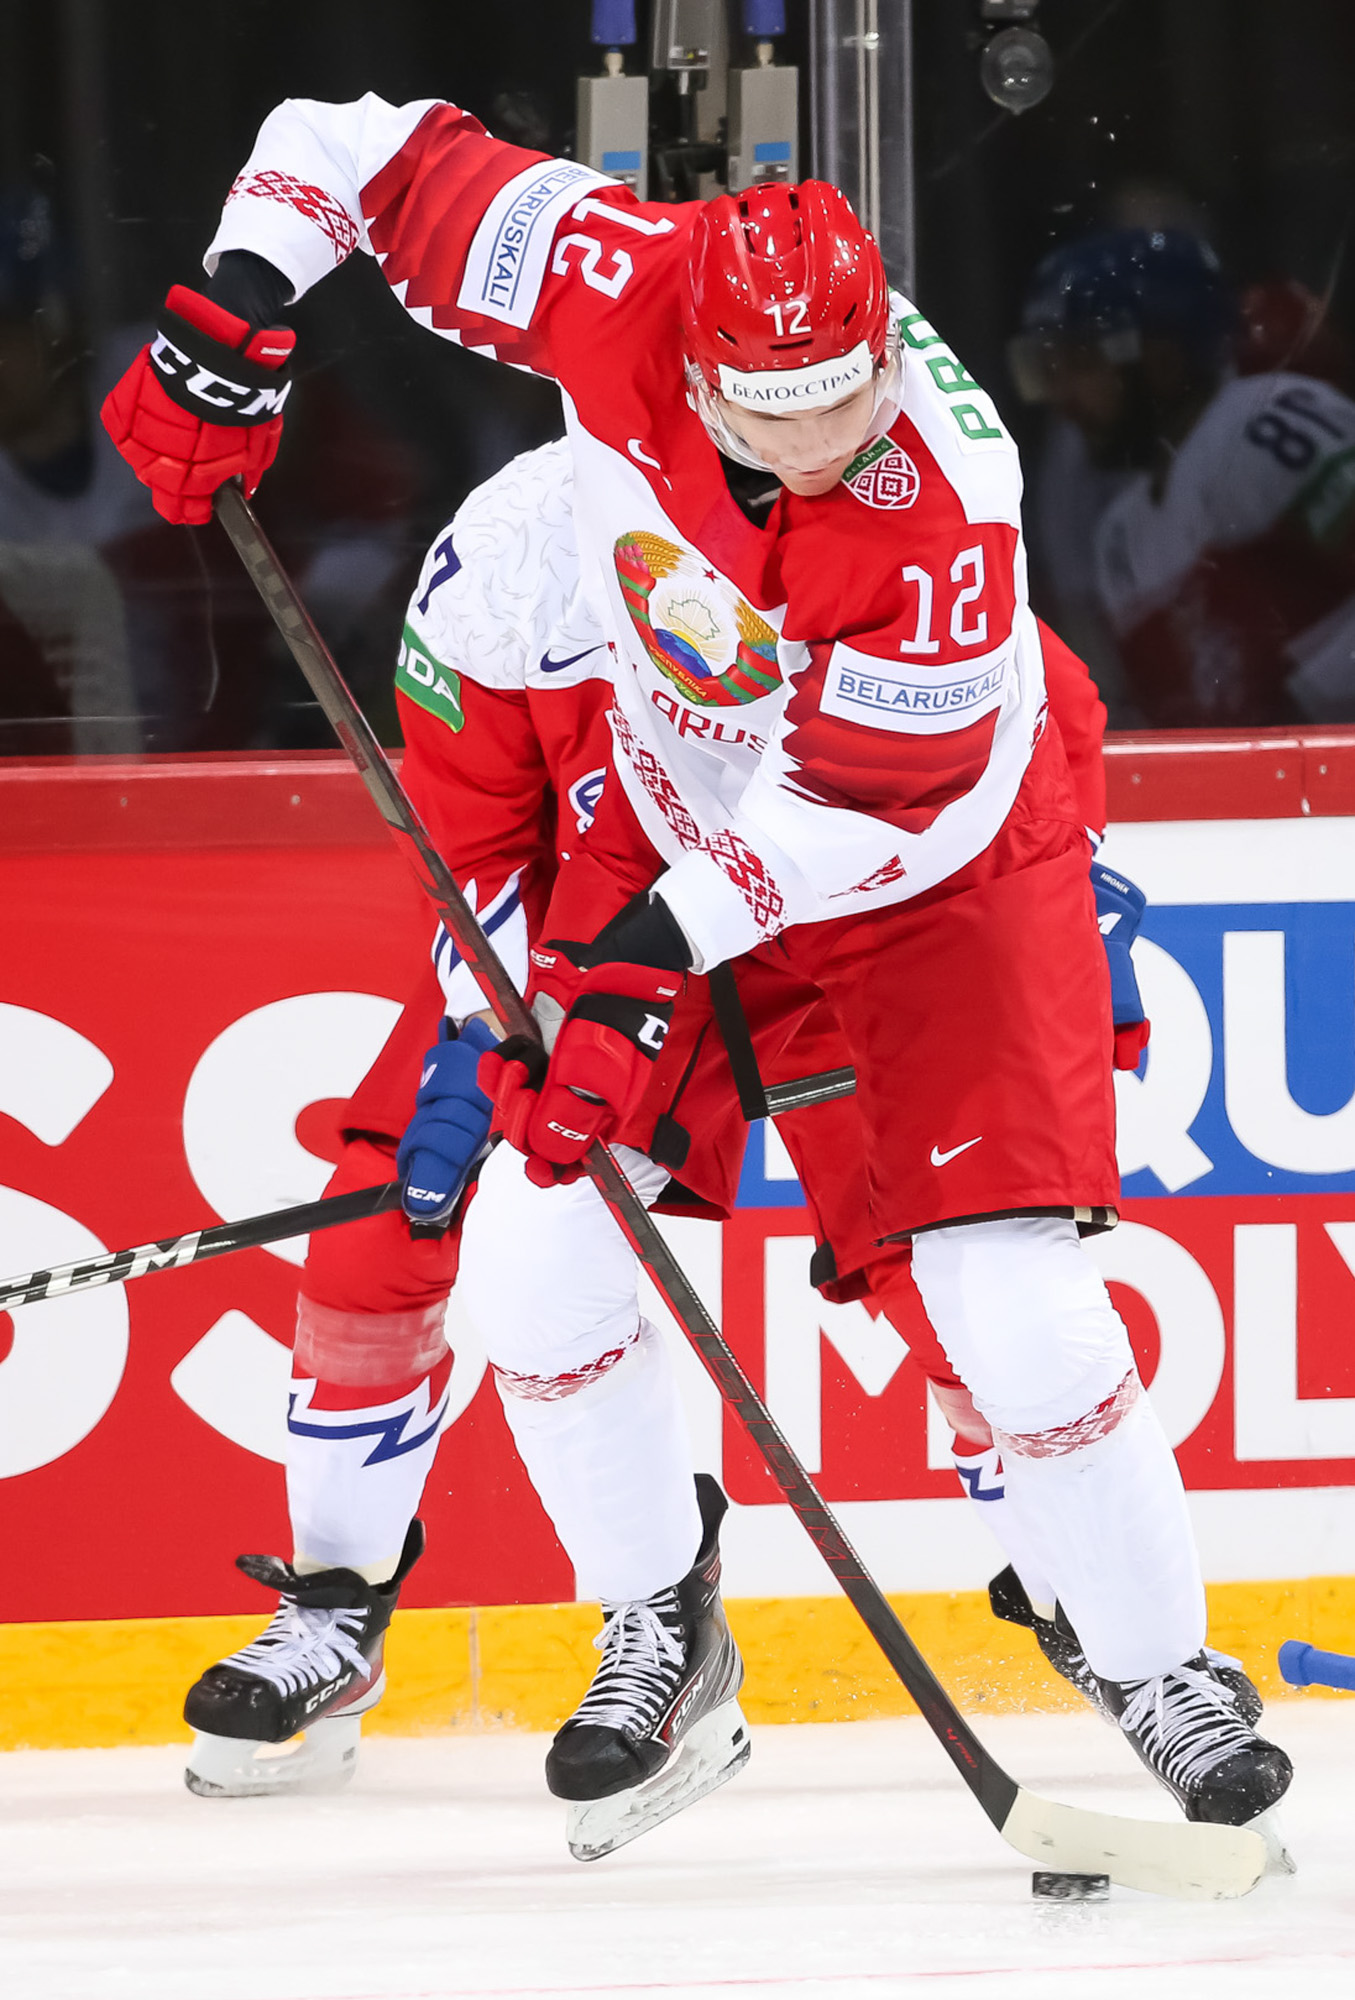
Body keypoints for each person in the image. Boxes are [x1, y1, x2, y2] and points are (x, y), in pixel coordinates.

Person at [102, 95, 1290, 1852]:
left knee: (1010, 1305)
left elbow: (857, 825)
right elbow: (350, 144)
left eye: (847, 404)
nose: (817, 448)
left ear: (888, 353)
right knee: (525, 1243)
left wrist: (639, 970)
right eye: (771, 414)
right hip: (667, 835)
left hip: (932, 871)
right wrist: (232, 313)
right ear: (695, 362)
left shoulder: (952, 517)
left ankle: (1152, 1662)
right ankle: (665, 1623)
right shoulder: (618, 291)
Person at [172, 424, 1168, 1816]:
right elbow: (474, 851)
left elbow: (1023, 719)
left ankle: (1107, 1621)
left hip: (853, 937)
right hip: (612, 946)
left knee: (957, 1285)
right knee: (395, 1226)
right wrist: (494, 1032)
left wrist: (1076, 908)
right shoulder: (497, 578)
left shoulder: (855, 526)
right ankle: (346, 1610)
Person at [1011, 227, 1355, 728]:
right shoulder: (1120, 542)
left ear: (1160, 357)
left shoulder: (1272, 423)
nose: (1062, 395)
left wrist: (1308, 703)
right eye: (1048, 369)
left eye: (1081, 362)